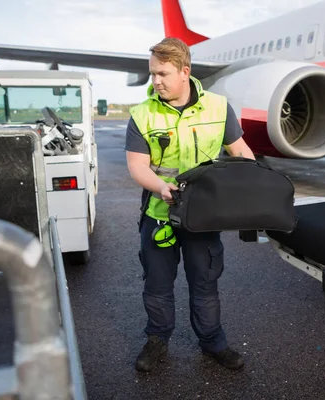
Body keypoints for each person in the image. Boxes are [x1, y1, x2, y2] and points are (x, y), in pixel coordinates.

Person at [125, 37, 255, 373]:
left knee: (205, 284)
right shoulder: (143, 113)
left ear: (185, 72)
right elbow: (138, 166)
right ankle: (157, 341)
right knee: (157, 286)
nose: (155, 81)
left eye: (163, 74)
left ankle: (213, 343)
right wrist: (160, 186)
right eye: (152, 73)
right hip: (159, 214)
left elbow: (240, 151)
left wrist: (252, 185)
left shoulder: (217, 107)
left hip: (202, 217)